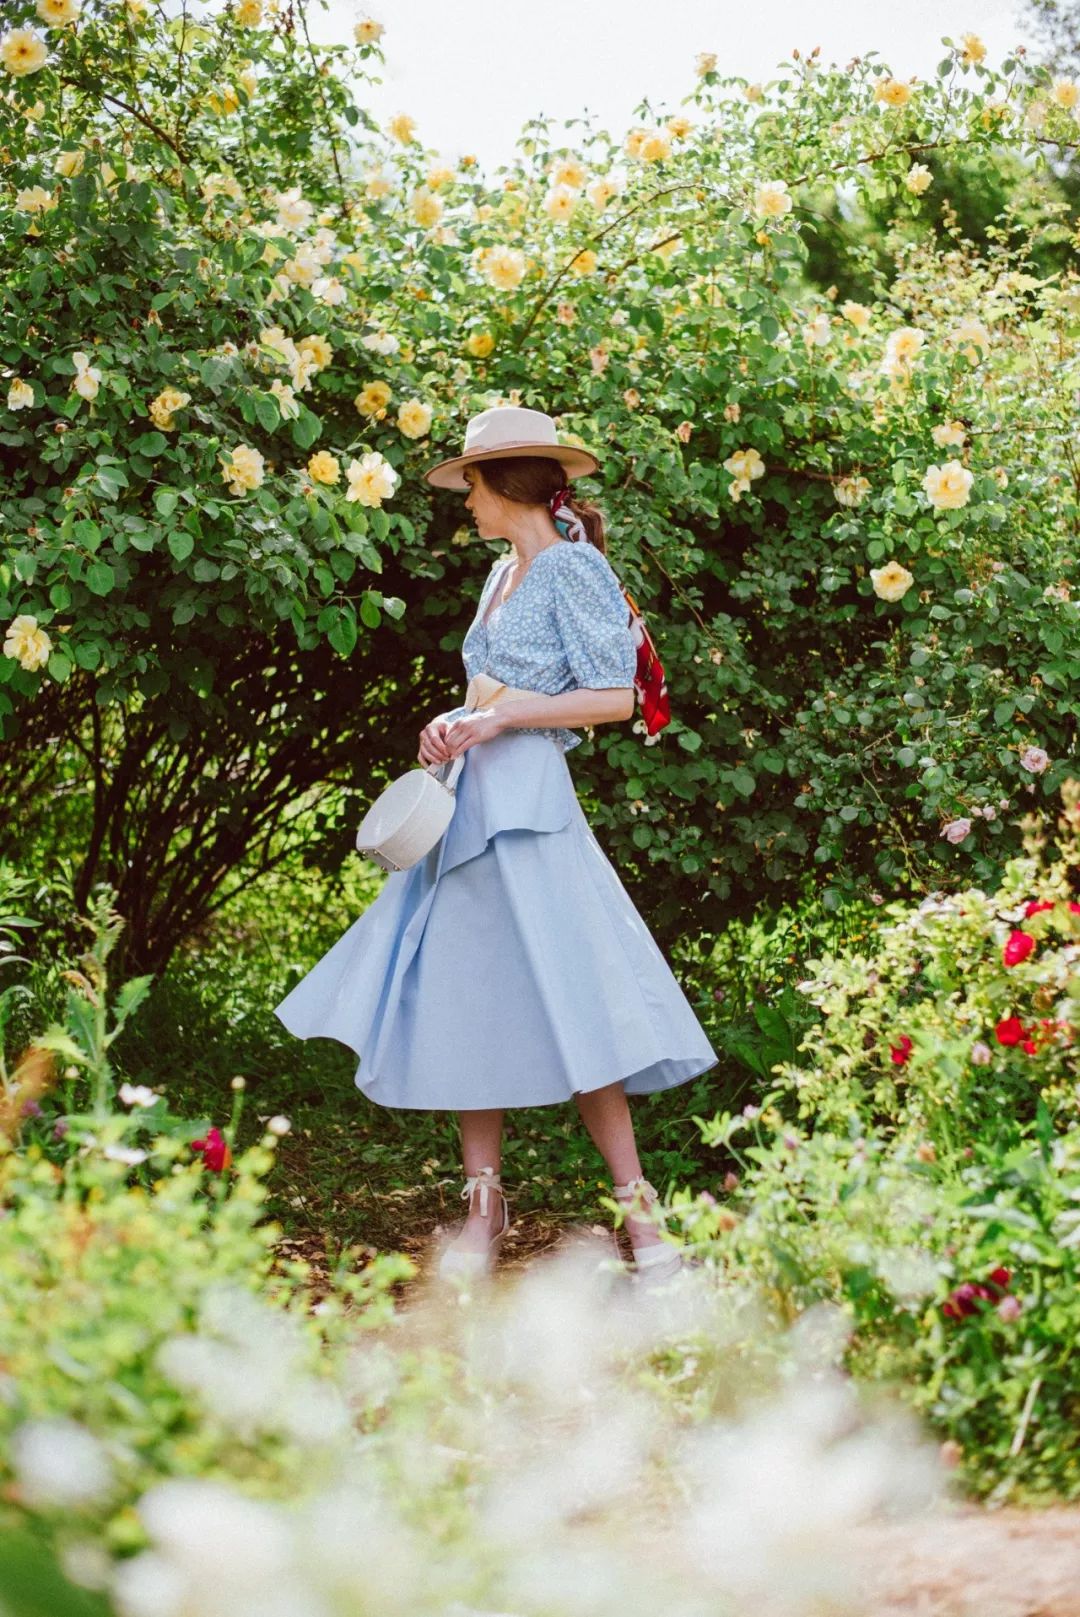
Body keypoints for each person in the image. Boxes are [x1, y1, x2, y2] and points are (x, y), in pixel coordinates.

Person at [273, 405, 719, 1286]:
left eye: (469, 485)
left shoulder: (573, 570)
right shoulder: (500, 574)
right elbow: (488, 690)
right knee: (464, 1003)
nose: (464, 502)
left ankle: (645, 1224)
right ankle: (484, 1209)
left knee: (578, 1003)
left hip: (532, 816)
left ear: (503, 483)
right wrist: (451, 722)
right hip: (465, 811)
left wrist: (504, 716)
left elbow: (613, 699)